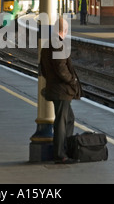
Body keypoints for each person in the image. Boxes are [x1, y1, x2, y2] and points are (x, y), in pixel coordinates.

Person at [40, 17, 83, 164]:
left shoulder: (48, 43)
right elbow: (61, 67)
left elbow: (43, 68)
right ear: (64, 30)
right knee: (61, 122)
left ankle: (66, 148)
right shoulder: (57, 43)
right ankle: (60, 154)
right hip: (62, 90)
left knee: (68, 119)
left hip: (57, 88)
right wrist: (72, 80)